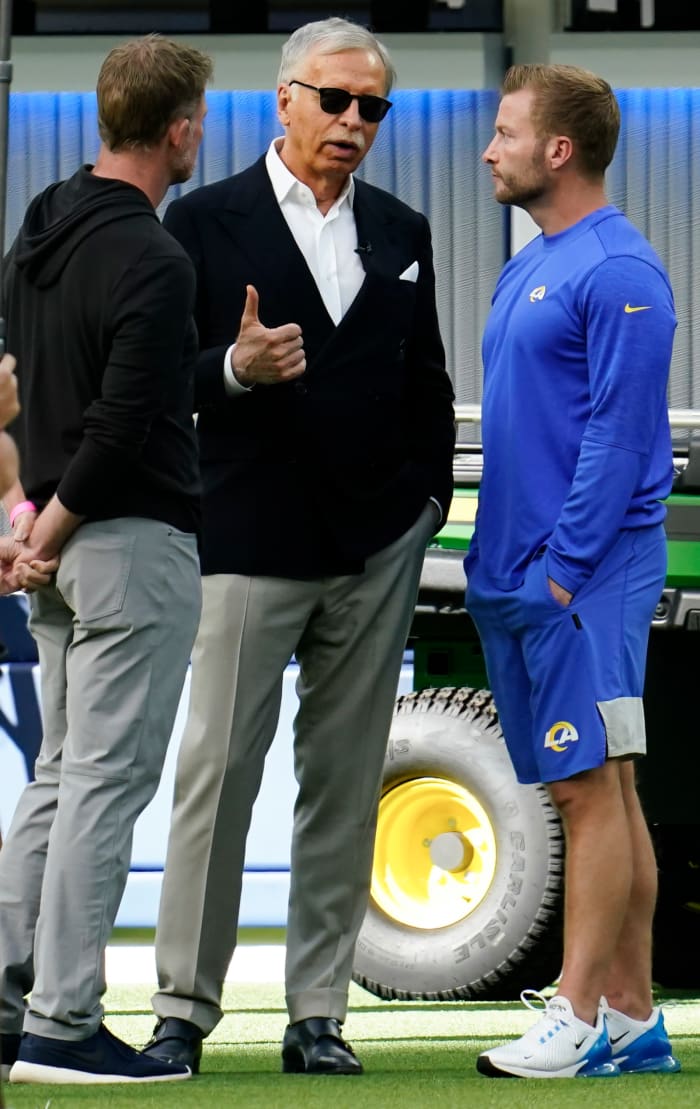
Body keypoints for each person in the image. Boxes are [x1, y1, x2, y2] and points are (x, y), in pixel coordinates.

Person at [143, 16, 455, 1077]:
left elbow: (428, 383)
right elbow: (150, 384)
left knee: (343, 781)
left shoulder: (404, 228)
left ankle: (317, 1010)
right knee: (215, 776)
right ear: (283, 99)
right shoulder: (200, 224)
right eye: (336, 100)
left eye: (373, 106)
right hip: (245, 540)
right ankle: (183, 1004)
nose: (354, 123)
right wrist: (231, 369)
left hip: (376, 543)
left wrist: (423, 502)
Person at [0, 34, 212, 1084]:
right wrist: (56, 523)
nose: (198, 142)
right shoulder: (157, 257)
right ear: (177, 130)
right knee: (102, 785)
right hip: (123, 544)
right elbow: (127, 420)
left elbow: (37, 390)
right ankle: (63, 1019)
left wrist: (34, 522)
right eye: (200, 125)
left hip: (57, 540)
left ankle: (11, 998)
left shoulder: (39, 229)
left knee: (54, 777)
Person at [465, 63, 681, 1080]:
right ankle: (632, 1013)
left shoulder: (621, 270)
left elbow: (620, 433)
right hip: (528, 573)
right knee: (598, 788)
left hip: (583, 577)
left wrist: (561, 570)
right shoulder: (532, 263)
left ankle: (577, 1008)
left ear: (557, 150)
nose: (488, 147)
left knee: (590, 787)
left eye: (505, 131)